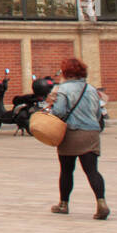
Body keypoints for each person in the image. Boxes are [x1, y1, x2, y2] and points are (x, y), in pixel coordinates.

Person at [44, 56, 109, 219]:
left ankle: (63, 204)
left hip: (71, 134)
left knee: (67, 170)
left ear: (66, 72)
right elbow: (97, 113)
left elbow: (59, 112)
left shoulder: (62, 90)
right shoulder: (91, 89)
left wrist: (51, 105)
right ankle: (101, 203)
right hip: (91, 133)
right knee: (92, 170)